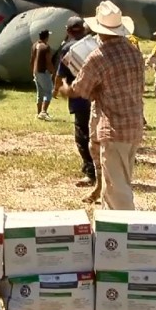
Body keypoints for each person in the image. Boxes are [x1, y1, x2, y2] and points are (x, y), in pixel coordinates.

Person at [59, 0, 145, 210]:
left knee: (117, 192)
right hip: (133, 126)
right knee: (121, 180)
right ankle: (111, 229)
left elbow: (79, 90)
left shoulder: (98, 56)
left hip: (113, 129)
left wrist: (63, 87)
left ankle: (122, 233)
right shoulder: (134, 51)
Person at [53, 16, 95, 188]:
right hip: (98, 97)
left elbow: (60, 75)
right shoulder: (94, 44)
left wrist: (57, 88)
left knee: (82, 135)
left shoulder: (67, 49)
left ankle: (90, 172)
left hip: (79, 98)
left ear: (68, 30)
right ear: (84, 29)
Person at [30, 29, 54, 120]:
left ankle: (39, 113)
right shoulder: (46, 47)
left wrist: (32, 71)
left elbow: (32, 60)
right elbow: (48, 61)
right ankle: (43, 112)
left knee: (40, 93)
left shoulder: (34, 45)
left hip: (35, 72)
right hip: (43, 72)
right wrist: (53, 71)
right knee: (48, 92)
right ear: (46, 37)